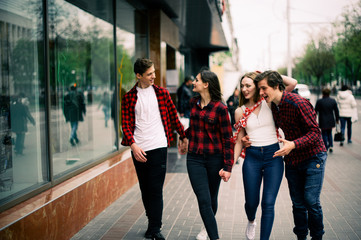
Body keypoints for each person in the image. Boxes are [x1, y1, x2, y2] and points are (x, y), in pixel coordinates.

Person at [254, 70, 327, 240]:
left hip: (313, 156)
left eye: (264, 88)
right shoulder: (274, 106)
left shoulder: (298, 102)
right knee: (298, 204)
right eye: (260, 89)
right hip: (293, 160)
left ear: (277, 86)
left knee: (311, 201)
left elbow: (316, 133)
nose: (261, 93)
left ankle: (317, 236)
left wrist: (293, 144)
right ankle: (301, 237)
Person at [121, 58, 187, 240]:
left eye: (154, 72)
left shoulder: (162, 94)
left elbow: (174, 117)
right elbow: (125, 125)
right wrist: (133, 145)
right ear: (138, 75)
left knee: (156, 189)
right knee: (145, 188)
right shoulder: (129, 97)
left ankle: (155, 227)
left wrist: (183, 135)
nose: (154, 76)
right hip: (139, 149)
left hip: (159, 146)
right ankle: (152, 221)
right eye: (149, 74)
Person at [233, 72, 297, 240]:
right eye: (242, 86)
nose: (244, 89)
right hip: (252, 158)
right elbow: (239, 141)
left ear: (257, 86)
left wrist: (268, 73)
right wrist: (229, 165)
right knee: (251, 202)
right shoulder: (240, 111)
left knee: (268, 203)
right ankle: (251, 220)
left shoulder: (269, 103)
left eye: (248, 85)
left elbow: (292, 83)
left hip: (273, 157)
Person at [184, 68, 234, 240]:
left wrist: (228, 167)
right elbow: (194, 128)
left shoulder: (220, 108)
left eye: (197, 80)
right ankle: (215, 237)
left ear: (206, 84)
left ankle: (206, 228)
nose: (194, 82)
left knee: (212, 198)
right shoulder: (193, 103)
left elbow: (228, 139)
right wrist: (183, 136)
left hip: (215, 159)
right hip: (194, 158)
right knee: (204, 199)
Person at [315, 88, 340, 153]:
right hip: (331, 120)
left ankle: (325, 146)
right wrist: (337, 119)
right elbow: (336, 111)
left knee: (324, 134)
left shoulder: (319, 101)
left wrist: (314, 120)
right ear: (329, 93)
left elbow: (315, 111)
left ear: (323, 93)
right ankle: (331, 145)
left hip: (322, 120)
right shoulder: (333, 101)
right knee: (329, 133)